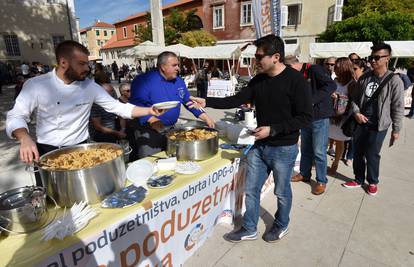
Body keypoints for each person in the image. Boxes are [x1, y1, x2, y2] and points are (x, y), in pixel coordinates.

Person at [188, 34, 313, 243]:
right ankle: (249, 228)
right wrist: (206, 101)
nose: (255, 60)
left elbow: (306, 117)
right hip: (259, 145)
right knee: (251, 190)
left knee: (282, 193)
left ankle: (282, 225)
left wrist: (272, 129)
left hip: (284, 148)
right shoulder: (259, 80)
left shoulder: (296, 81)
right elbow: (236, 99)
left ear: (275, 56)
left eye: (259, 56)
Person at [6, 40, 163, 186]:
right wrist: (25, 138)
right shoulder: (36, 85)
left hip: (81, 151)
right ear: (63, 63)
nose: (87, 68)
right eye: (81, 64)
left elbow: (119, 108)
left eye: (87, 64)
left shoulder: (90, 86)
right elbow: (16, 115)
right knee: (52, 200)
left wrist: (150, 110)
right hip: (47, 151)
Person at [342, 43, 404, 195]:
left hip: (379, 125)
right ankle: (358, 179)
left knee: (372, 154)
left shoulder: (395, 81)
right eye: (371, 57)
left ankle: (373, 181)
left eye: (377, 57)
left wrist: (396, 129)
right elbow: (354, 99)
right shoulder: (364, 78)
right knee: (357, 152)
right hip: (360, 122)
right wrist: (356, 113)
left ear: (387, 59)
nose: (373, 61)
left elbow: (398, 107)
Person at [129, 51, 215, 160]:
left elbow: (187, 100)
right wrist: (152, 120)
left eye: (178, 65)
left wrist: (204, 116)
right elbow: (136, 105)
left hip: (171, 130)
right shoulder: (143, 80)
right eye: (174, 65)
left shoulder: (179, 81)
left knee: (171, 159)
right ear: (163, 67)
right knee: (151, 161)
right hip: (149, 131)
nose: (178, 68)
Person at [287, 55, 337, 195]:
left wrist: (312, 100)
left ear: (293, 65)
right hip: (305, 118)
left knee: (319, 151)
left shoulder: (314, 69)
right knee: (305, 148)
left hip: (320, 117)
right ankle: (304, 174)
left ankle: (321, 181)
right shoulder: (298, 75)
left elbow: (331, 85)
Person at [327, 58, 356, 175]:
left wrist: (340, 97)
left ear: (344, 67)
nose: (335, 69)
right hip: (331, 115)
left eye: (338, 66)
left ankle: (335, 164)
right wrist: (331, 95)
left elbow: (354, 101)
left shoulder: (352, 83)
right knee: (328, 138)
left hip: (343, 118)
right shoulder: (334, 80)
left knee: (340, 141)